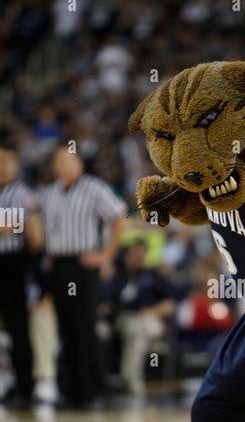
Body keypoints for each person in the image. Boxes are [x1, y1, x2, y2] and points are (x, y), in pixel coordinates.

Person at [39, 147, 126, 408]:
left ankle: (94, 391)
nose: (63, 165)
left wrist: (106, 255)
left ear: (79, 164)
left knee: (85, 326)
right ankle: (70, 391)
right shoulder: (49, 192)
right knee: (63, 327)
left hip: (82, 265)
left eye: (68, 160)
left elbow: (120, 217)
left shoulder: (93, 188)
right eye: (59, 161)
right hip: (58, 265)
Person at [100, 240, 175, 394]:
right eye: (135, 254)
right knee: (136, 331)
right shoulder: (119, 275)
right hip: (125, 319)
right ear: (128, 256)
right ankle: (129, 379)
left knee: (140, 330)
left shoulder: (154, 276)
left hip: (150, 318)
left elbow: (170, 305)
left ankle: (129, 378)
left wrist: (152, 311)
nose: (138, 258)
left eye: (142, 255)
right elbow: (106, 303)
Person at [0, 144, 42, 406]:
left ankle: (25, 387)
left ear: (15, 166)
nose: (2, 167)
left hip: (12, 265)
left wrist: (9, 224)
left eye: (6, 162)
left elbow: (28, 227)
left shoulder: (22, 192)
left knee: (18, 328)